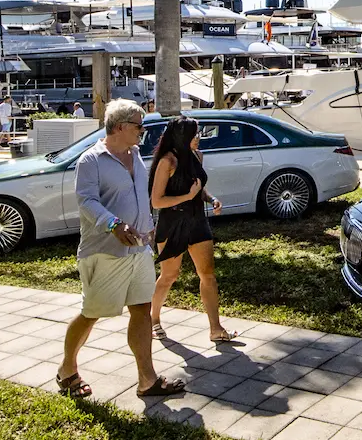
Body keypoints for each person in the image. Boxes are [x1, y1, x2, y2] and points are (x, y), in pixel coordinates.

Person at [58, 98, 184, 401]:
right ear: (120, 127)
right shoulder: (91, 160)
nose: (142, 131)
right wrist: (114, 223)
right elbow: (86, 201)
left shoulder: (136, 154)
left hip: (139, 250)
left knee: (141, 309)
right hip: (105, 251)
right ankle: (67, 370)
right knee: (92, 313)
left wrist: (148, 227)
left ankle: (147, 380)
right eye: (138, 126)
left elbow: (140, 198)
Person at [148, 117, 236, 343]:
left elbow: (199, 188)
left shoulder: (198, 156)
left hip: (197, 221)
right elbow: (157, 201)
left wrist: (211, 199)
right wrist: (187, 197)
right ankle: (153, 319)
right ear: (182, 136)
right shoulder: (167, 162)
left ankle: (215, 329)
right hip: (173, 224)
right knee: (170, 275)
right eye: (195, 134)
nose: (199, 138)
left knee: (208, 274)